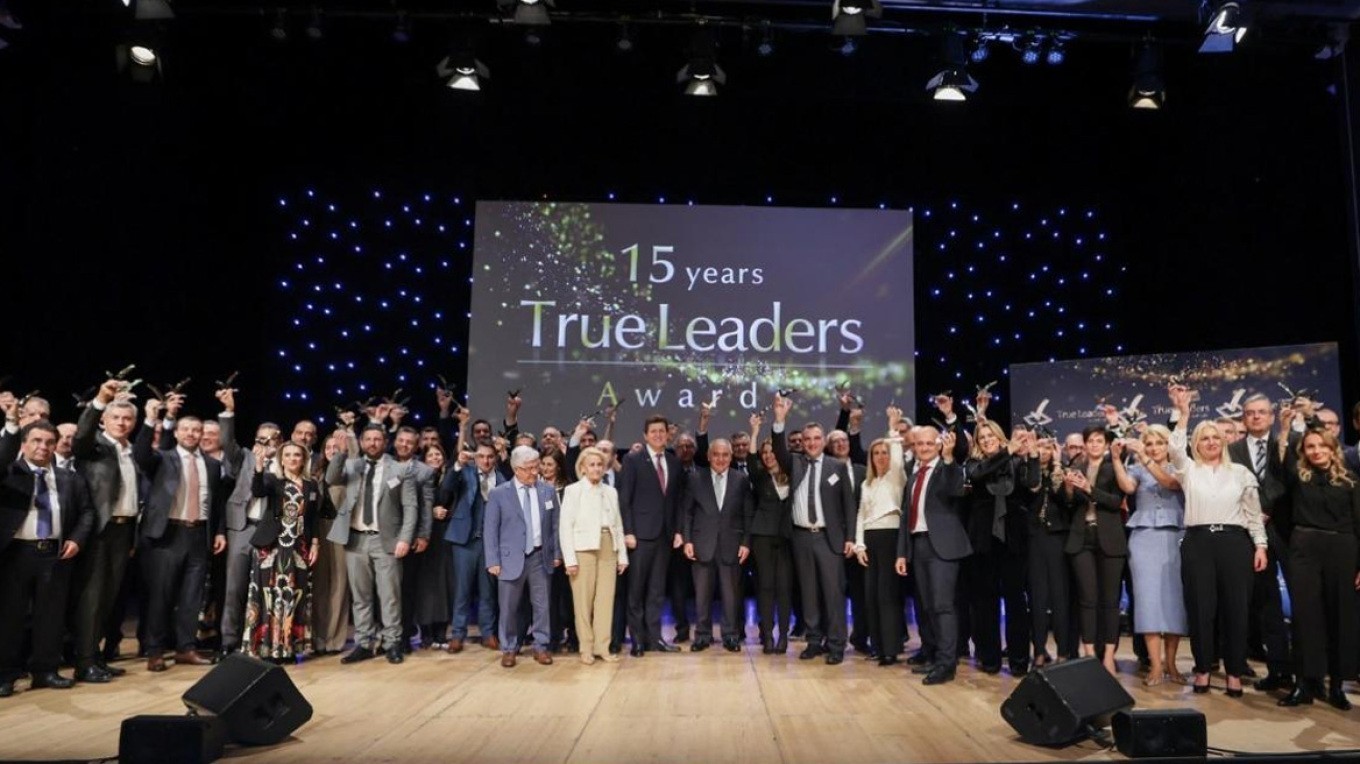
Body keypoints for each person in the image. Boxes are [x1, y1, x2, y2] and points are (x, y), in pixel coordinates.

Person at [1167, 385, 1269, 698]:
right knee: (1200, 610)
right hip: (1198, 544)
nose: (1211, 442)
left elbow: (1253, 513)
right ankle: (1202, 669)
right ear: (1196, 444)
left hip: (1235, 544)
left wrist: (1261, 545)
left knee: (1236, 609)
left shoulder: (1241, 472)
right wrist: (1183, 414)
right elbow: (1175, 449)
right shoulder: (1187, 470)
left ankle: (1234, 672)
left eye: (1215, 437)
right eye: (1204, 438)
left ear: (1223, 441)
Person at [0, 420, 94, 698]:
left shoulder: (69, 478)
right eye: (37, 441)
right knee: (10, 618)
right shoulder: (9, 472)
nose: (43, 447)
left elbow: (87, 512)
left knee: (50, 617)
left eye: (49, 442)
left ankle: (45, 671)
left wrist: (77, 539)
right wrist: (11, 425)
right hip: (16, 553)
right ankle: (5, 675)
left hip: (54, 554)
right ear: (24, 444)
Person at [133, 396, 228, 672]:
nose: (191, 434)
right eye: (185, 429)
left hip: (198, 534)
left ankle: (186, 648)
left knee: (192, 596)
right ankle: (155, 650)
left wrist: (219, 532)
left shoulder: (212, 465)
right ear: (176, 432)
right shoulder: (163, 458)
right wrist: (151, 420)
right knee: (161, 595)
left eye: (196, 430)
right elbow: (141, 454)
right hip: (168, 534)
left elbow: (217, 503)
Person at [1274, 413, 1360, 710]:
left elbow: (1359, 523)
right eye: (1310, 446)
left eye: (1322, 446)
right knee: (1305, 618)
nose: (1316, 451)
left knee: (1340, 617)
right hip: (1305, 550)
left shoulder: (1351, 480)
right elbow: (1282, 462)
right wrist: (1286, 428)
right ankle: (1303, 684)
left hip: (1343, 551)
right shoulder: (1298, 477)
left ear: (1333, 448)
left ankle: (1336, 686)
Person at [771, 394, 856, 665]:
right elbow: (778, 450)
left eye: (816, 438)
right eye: (807, 439)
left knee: (833, 593)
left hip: (829, 538)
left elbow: (848, 506)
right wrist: (780, 419)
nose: (811, 443)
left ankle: (836, 644)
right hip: (801, 537)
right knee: (808, 593)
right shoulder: (795, 462)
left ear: (823, 441)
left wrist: (851, 538)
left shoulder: (837, 466)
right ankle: (814, 641)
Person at [68, 382, 143, 683]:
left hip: (124, 531)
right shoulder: (94, 447)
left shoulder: (131, 451)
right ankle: (84, 662)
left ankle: (95, 656)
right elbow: (81, 436)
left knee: (109, 598)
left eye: (127, 419)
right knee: (92, 598)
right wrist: (100, 400)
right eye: (116, 418)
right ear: (104, 420)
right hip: (100, 530)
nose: (122, 423)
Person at [327, 423, 417, 666]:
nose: (373, 443)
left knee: (390, 596)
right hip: (355, 538)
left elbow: (410, 508)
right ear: (361, 441)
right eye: (368, 439)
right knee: (360, 596)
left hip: (385, 539)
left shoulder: (400, 469)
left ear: (385, 442)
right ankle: (364, 643)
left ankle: (392, 643)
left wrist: (405, 539)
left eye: (377, 439)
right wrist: (341, 453)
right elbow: (331, 478)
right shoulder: (351, 465)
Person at [1111, 425, 1187, 686]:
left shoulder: (1180, 467)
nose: (1154, 448)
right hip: (1143, 539)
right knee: (1147, 601)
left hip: (1175, 537)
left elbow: (1170, 484)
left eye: (1159, 443)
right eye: (1149, 444)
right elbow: (1127, 487)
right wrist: (1116, 459)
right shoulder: (1137, 469)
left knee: (1174, 602)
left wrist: (1143, 457)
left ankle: (1172, 664)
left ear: (1168, 445)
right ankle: (1155, 665)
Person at [1228, 394, 1293, 691]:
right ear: (1244, 417)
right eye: (1250, 412)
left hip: (1288, 531)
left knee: (1303, 602)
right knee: (1267, 605)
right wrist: (1255, 514)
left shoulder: (1288, 443)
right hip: (1252, 536)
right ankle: (1279, 670)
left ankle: (1309, 673)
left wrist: (1263, 508)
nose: (1256, 417)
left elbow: (1291, 481)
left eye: (1262, 412)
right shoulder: (1232, 450)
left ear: (1271, 416)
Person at [894, 425, 969, 685]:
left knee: (942, 606)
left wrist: (948, 459)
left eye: (929, 443)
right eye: (919, 444)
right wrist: (902, 553)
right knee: (926, 606)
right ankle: (935, 656)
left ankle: (947, 664)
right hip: (919, 545)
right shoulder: (915, 475)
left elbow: (955, 489)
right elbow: (906, 515)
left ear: (938, 444)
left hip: (943, 547)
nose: (924, 448)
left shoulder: (947, 468)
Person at [961, 414, 1036, 676]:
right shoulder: (973, 464)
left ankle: (1019, 660)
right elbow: (981, 474)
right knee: (985, 602)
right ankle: (989, 657)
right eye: (981, 438)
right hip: (984, 542)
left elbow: (1032, 484)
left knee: (1016, 602)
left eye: (990, 435)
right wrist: (1007, 451)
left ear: (999, 436)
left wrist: (1032, 455)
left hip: (1013, 540)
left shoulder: (1016, 461)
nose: (986, 440)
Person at [1058, 425, 1127, 675]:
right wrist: (1068, 488)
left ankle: (1108, 655)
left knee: (1110, 601)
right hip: (1081, 538)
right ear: (1085, 445)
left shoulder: (1114, 467)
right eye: (1090, 441)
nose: (1094, 444)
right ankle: (1088, 654)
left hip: (1110, 538)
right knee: (1087, 599)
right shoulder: (1076, 468)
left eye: (1099, 440)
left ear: (1106, 444)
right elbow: (1067, 503)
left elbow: (1116, 501)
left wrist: (1089, 489)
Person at [485, 446, 561, 668]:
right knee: (508, 607)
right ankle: (509, 648)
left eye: (536, 467)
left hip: (540, 556)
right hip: (509, 559)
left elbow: (555, 526)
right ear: (516, 469)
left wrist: (556, 553)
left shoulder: (547, 491)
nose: (535, 472)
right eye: (529, 468)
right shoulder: (499, 493)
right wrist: (493, 560)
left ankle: (541, 646)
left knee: (542, 605)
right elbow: (490, 530)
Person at [617, 415, 686, 657]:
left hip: (664, 537)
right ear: (645, 435)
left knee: (657, 592)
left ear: (668, 435)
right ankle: (638, 640)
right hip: (640, 536)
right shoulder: (633, 460)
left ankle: (654, 638)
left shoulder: (674, 462)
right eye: (653, 431)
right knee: (636, 591)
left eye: (662, 431)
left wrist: (678, 531)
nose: (658, 435)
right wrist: (628, 531)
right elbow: (625, 499)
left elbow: (678, 501)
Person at [244, 441, 320, 661]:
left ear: (304, 459)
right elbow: (258, 490)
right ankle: (267, 647)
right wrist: (259, 467)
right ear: (281, 459)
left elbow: (313, 518)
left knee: (295, 597)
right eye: (287, 455)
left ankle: (288, 648)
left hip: (299, 548)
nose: (292, 458)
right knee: (269, 597)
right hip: (273, 547)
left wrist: (315, 544)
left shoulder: (311, 485)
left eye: (297, 455)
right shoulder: (272, 479)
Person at [682, 438, 752, 652]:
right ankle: (702, 635)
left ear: (731, 457)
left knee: (730, 596)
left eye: (725, 455)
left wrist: (746, 543)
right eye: (716, 454)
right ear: (709, 456)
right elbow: (687, 512)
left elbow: (747, 514)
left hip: (731, 545)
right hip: (702, 544)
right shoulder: (695, 478)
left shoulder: (741, 479)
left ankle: (730, 636)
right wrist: (687, 540)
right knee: (702, 596)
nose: (720, 459)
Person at [559, 446, 628, 664]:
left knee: (605, 600)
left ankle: (602, 647)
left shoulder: (610, 491)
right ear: (583, 468)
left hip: (608, 545)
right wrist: (570, 559)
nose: (596, 468)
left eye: (600, 465)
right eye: (592, 465)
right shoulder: (573, 491)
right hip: (583, 549)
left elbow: (618, 524)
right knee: (583, 602)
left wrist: (622, 556)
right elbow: (565, 526)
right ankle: (586, 648)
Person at [852, 406, 908, 666]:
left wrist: (892, 428)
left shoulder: (896, 478)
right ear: (871, 458)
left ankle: (891, 648)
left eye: (885, 452)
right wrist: (859, 545)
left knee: (887, 596)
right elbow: (860, 515)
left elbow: (897, 456)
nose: (881, 457)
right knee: (871, 595)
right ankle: (877, 646)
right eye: (876, 453)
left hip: (890, 537)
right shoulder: (866, 484)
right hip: (870, 540)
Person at [441, 442, 503, 653]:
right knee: (462, 590)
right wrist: (458, 465)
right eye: (482, 456)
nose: (486, 460)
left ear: (495, 458)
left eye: (490, 457)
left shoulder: (502, 479)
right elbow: (447, 487)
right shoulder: (465, 473)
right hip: (465, 541)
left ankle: (488, 633)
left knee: (488, 591)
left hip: (490, 543)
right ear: (475, 458)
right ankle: (457, 634)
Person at [746, 415, 794, 654]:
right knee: (765, 586)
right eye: (764, 452)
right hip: (762, 537)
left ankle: (783, 636)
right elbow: (751, 458)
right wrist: (755, 432)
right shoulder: (760, 477)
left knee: (784, 588)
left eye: (772, 451)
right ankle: (766, 635)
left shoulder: (793, 474)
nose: (767, 456)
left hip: (786, 538)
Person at [1024, 433, 1073, 667]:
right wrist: (1033, 458)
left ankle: (1063, 651)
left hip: (1058, 539)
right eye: (1039, 447)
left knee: (1060, 597)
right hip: (1035, 539)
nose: (1043, 451)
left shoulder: (1063, 471)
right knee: (1038, 598)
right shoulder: (1028, 470)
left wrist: (1058, 464)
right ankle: (1039, 651)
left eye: (1048, 447)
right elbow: (1032, 487)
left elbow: (1062, 496)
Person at [311, 430, 355, 655]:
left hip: (339, 530)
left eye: (335, 448)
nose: (331, 451)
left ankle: (335, 639)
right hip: (318, 530)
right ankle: (318, 637)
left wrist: (344, 451)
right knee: (319, 586)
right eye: (328, 448)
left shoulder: (348, 470)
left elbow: (334, 475)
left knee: (339, 584)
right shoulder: (314, 473)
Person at [414, 444, 453, 650]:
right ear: (423, 459)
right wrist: (430, 511)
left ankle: (441, 632)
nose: (435, 457)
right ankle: (426, 632)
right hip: (423, 537)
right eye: (430, 455)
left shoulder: (449, 478)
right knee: (424, 587)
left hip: (444, 537)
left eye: (438, 453)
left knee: (444, 585)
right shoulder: (417, 478)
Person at [540, 448, 576, 653]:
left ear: (559, 467)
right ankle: (552, 637)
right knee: (549, 597)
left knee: (567, 596)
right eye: (543, 464)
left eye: (550, 464)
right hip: (544, 548)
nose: (545, 468)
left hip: (566, 547)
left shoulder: (569, 488)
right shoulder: (535, 486)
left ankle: (573, 635)